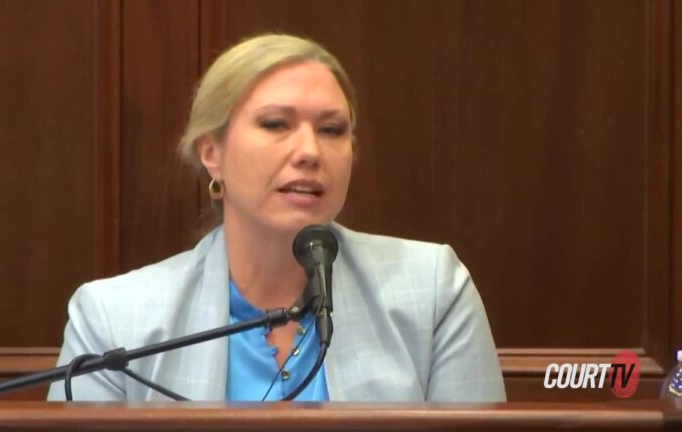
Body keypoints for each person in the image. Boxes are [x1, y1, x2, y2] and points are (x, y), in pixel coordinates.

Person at [48, 33, 506, 402]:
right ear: (212, 152)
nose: (309, 151)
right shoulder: (113, 317)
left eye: (332, 130)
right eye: (275, 124)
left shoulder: (431, 290)